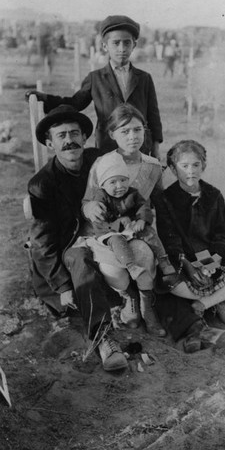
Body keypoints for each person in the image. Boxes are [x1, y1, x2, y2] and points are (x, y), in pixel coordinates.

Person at [27, 104, 129, 372]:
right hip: (67, 248)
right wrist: (62, 286)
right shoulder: (42, 184)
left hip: (104, 236)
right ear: (50, 144)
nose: (70, 140)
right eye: (61, 136)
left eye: (75, 133)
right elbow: (42, 243)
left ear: (85, 138)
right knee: (80, 259)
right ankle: (104, 338)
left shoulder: (100, 161)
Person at [154, 140, 225, 344]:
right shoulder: (165, 199)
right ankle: (217, 303)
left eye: (196, 165)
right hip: (183, 262)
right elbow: (169, 238)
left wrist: (212, 264)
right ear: (172, 168)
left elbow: (221, 235)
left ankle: (205, 303)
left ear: (204, 166)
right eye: (184, 166)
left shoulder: (213, 195)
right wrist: (188, 266)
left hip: (213, 260)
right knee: (168, 284)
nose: (191, 171)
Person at [78, 104, 166, 336]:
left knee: (145, 254)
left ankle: (148, 308)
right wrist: (90, 207)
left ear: (144, 131)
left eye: (137, 130)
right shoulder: (103, 163)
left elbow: (159, 204)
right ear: (112, 134)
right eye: (125, 131)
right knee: (111, 265)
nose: (133, 137)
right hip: (108, 230)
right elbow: (87, 199)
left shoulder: (152, 166)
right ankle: (129, 299)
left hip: (137, 229)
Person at [25, 15, 162, 159]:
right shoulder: (95, 78)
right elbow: (75, 103)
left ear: (134, 45)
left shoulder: (144, 78)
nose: (122, 48)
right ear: (104, 46)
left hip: (138, 144)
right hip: (109, 145)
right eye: (116, 43)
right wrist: (44, 98)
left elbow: (153, 115)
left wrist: (156, 147)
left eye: (127, 43)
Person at [88, 152, 179, 289]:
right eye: (113, 182)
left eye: (123, 180)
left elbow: (143, 206)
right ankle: (132, 267)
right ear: (103, 184)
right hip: (109, 231)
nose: (119, 186)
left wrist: (142, 220)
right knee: (118, 242)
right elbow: (101, 221)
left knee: (149, 232)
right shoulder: (100, 197)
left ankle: (163, 259)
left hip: (131, 227)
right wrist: (118, 223)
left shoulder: (132, 192)